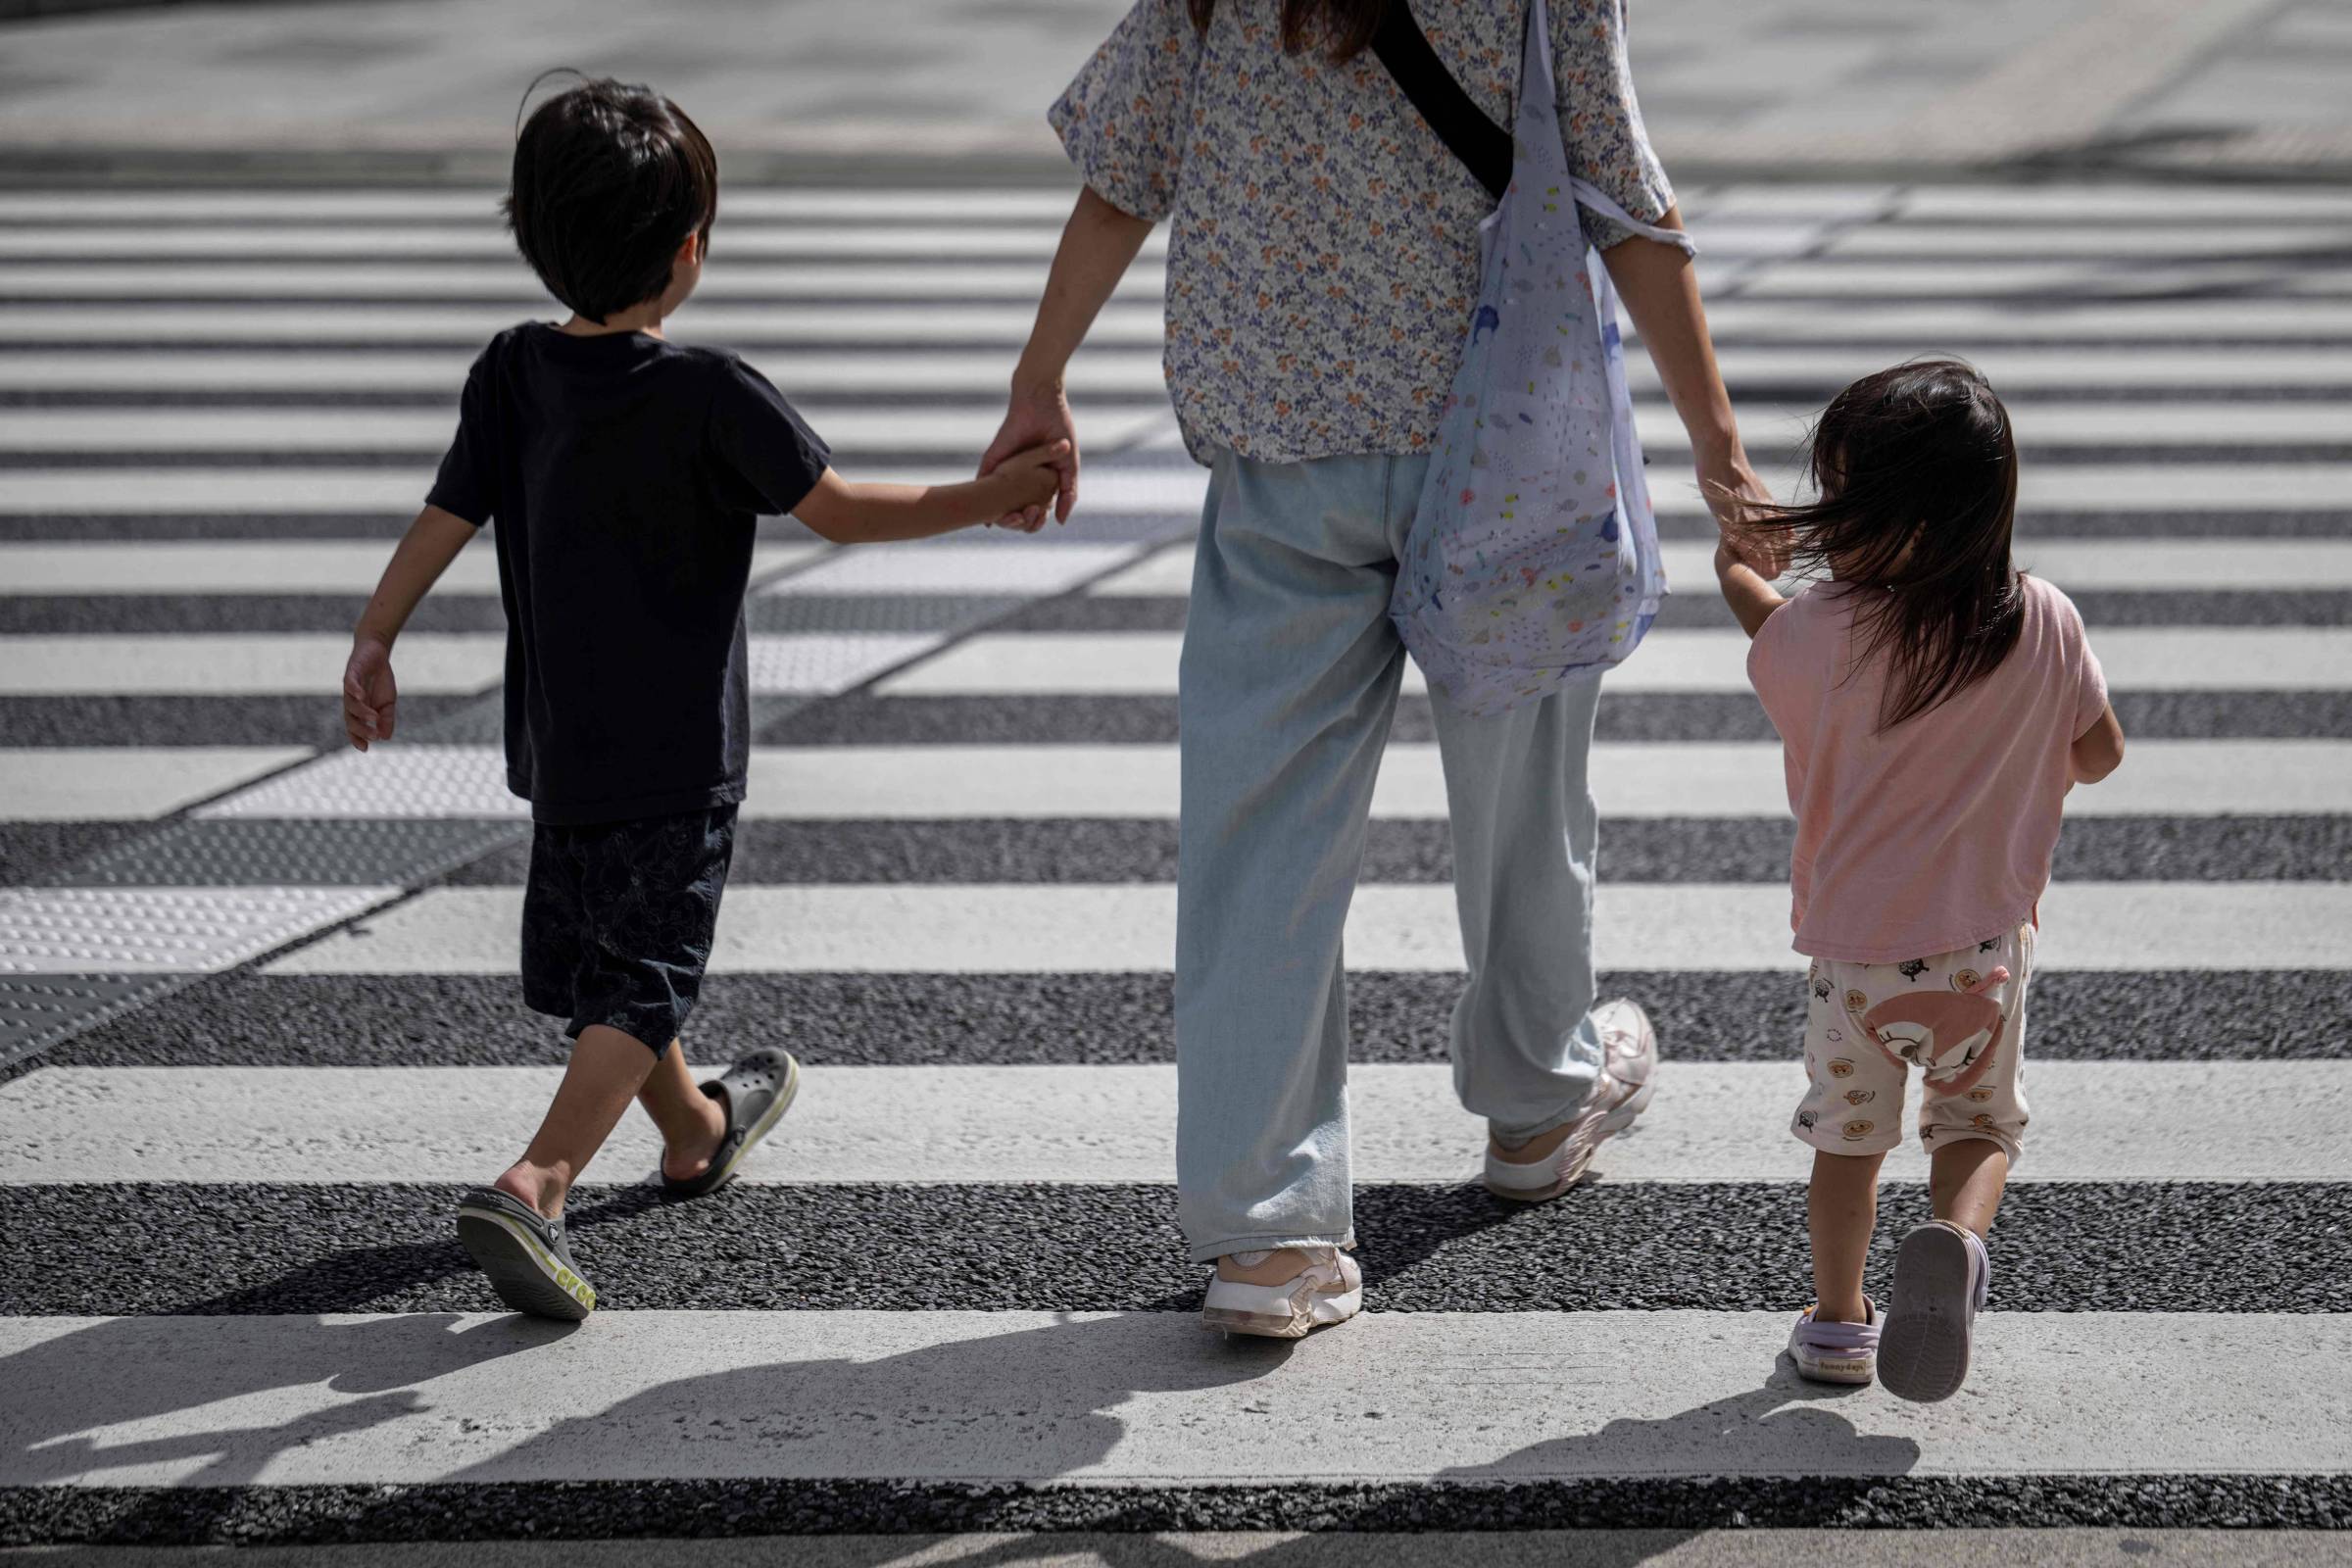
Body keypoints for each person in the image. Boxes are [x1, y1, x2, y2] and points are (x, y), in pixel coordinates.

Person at [983, 0, 1773, 1338]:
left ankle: (1271, 1234)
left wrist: (1039, 380)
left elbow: (1120, 177)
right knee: (1525, 796)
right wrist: (1722, 455)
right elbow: (1630, 208)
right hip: (1503, 450)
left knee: (1262, 832)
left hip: (1288, 458)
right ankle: (1536, 1096)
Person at [341, 75, 1067, 1321]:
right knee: (644, 971)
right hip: (678, 754)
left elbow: (443, 517)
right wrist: (983, 497)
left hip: (562, 747)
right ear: (687, 251)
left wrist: (374, 636)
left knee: (619, 962)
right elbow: (842, 512)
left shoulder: (511, 372)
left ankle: (695, 1126)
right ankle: (537, 1180)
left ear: (534, 231)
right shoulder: (710, 392)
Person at [1715, 359, 2127, 1401]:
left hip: (1855, 963)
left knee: (1848, 1147)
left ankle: (1841, 1323)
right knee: (1979, 1125)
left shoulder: (1823, 633)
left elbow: (1768, 627)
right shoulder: (2042, 618)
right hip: (1983, 949)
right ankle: (1954, 1238)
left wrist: (1736, 563)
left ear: (1889, 519)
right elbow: (2098, 753)